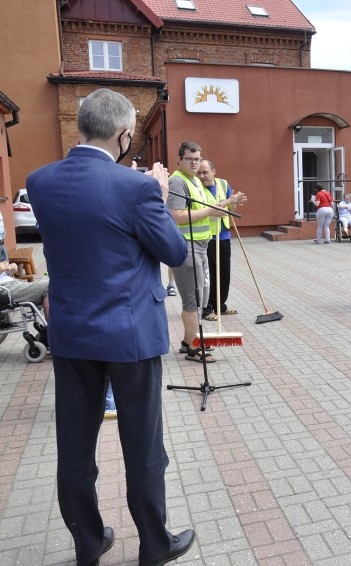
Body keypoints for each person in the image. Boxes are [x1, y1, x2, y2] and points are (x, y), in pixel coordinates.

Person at [25, 88, 195, 565]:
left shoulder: (39, 181)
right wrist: (158, 196)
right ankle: (155, 545)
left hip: (72, 333)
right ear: (124, 136)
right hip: (130, 333)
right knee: (143, 447)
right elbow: (175, 253)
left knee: (74, 447)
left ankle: (88, 542)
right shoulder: (136, 187)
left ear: (82, 126)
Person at [167, 141, 228, 363]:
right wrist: (211, 211)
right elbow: (176, 215)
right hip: (186, 246)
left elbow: (202, 210)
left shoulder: (193, 182)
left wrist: (219, 208)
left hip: (201, 245)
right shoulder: (177, 181)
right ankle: (194, 348)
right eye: (189, 159)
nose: (194, 163)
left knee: (200, 296)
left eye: (197, 158)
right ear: (179, 160)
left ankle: (187, 341)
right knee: (192, 299)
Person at [197, 159, 247, 321]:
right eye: (199, 173)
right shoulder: (197, 189)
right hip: (207, 236)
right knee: (209, 275)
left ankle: (220, 305)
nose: (202, 176)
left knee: (224, 273)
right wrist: (229, 201)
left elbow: (230, 208)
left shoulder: (223, 184)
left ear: (213, 171)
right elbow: (211, 208)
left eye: (205, 172)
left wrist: (235, 202)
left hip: (224, 235)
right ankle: (207, 308)